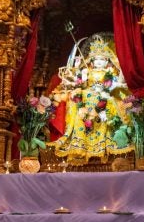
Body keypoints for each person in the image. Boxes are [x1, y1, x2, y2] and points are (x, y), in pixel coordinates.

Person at [49, 33, 133, 162]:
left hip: (103, 98)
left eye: (102, 59)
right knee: (76, 100)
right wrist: (82, 75)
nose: (99, 62)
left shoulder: (110, 73)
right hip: (87, 97)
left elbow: (116, 84)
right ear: (92, 61)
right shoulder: (87, 71)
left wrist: (119, 71)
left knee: (109, 101)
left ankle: (102, 143)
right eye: (97, 59)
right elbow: (80, 85)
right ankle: (80, 143)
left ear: (107, 61)